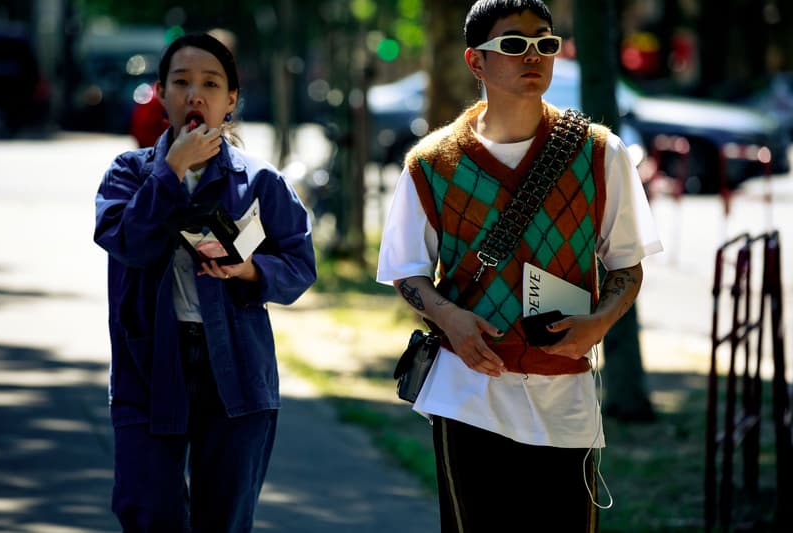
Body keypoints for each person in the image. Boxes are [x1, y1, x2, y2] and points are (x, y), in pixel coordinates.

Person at [376, 1, 662, 531]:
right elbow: (407, 270)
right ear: (476, 61)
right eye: (513, 44)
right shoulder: (431, 163)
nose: (533, 55)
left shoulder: (603, 153)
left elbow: (627, 264)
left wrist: (599, 323)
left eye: (545, 42)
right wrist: (451, 320)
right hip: (468, 395)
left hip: (566, 399)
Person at [94, 32, 316, 532]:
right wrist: (170, 172)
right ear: (162, 93)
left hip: (235, 365)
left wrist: (253, 271)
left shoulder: (259, 181)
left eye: (211, 84)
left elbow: (300, 264)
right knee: (149, 512)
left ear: (231, 100)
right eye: (182, 82)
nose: (196, 94)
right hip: (149, 364)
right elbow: (128, 242)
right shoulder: (128, 175)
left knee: (225, 519)